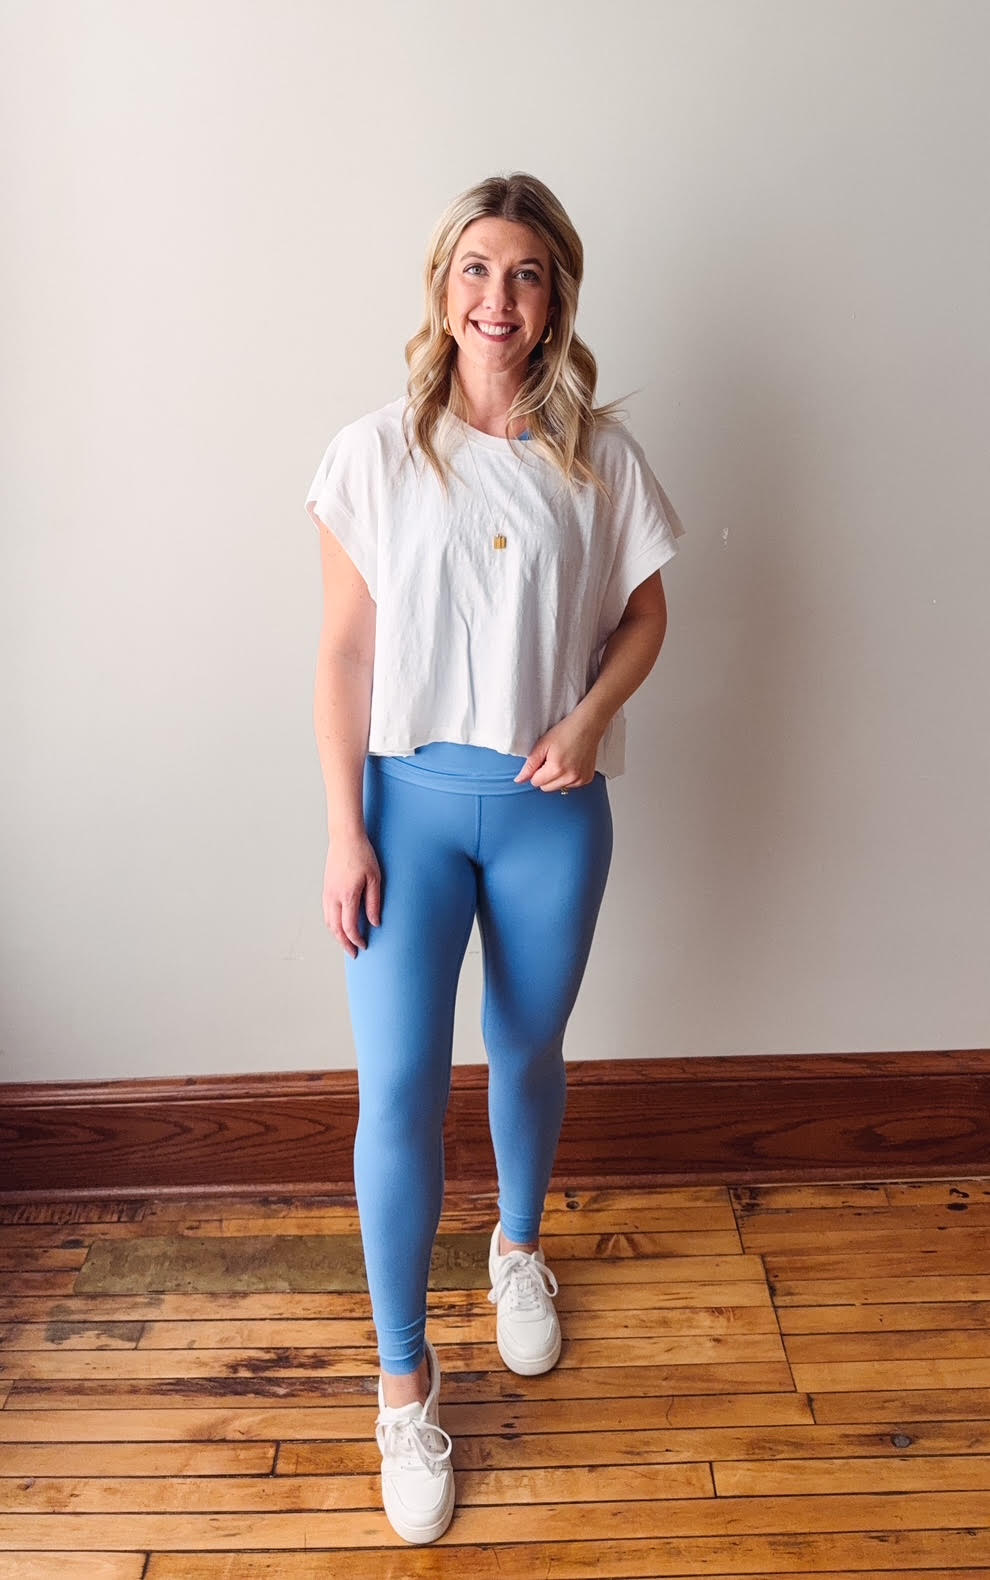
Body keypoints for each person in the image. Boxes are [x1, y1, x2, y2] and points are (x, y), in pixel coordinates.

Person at [304, 171, 685, 1545]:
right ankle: (403, 1383)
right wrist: (346, 825)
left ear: (554, 296)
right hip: (406, 805)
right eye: (476, 269)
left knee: (525, 1048)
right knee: (398, 1087)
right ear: (442, 286)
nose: (497, 298)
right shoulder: (372, 453)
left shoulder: (600, 458)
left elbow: (646, 616)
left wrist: (589, 720)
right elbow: (344, 654)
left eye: (523, 273)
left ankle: (516, 1251)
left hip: (546, 809)